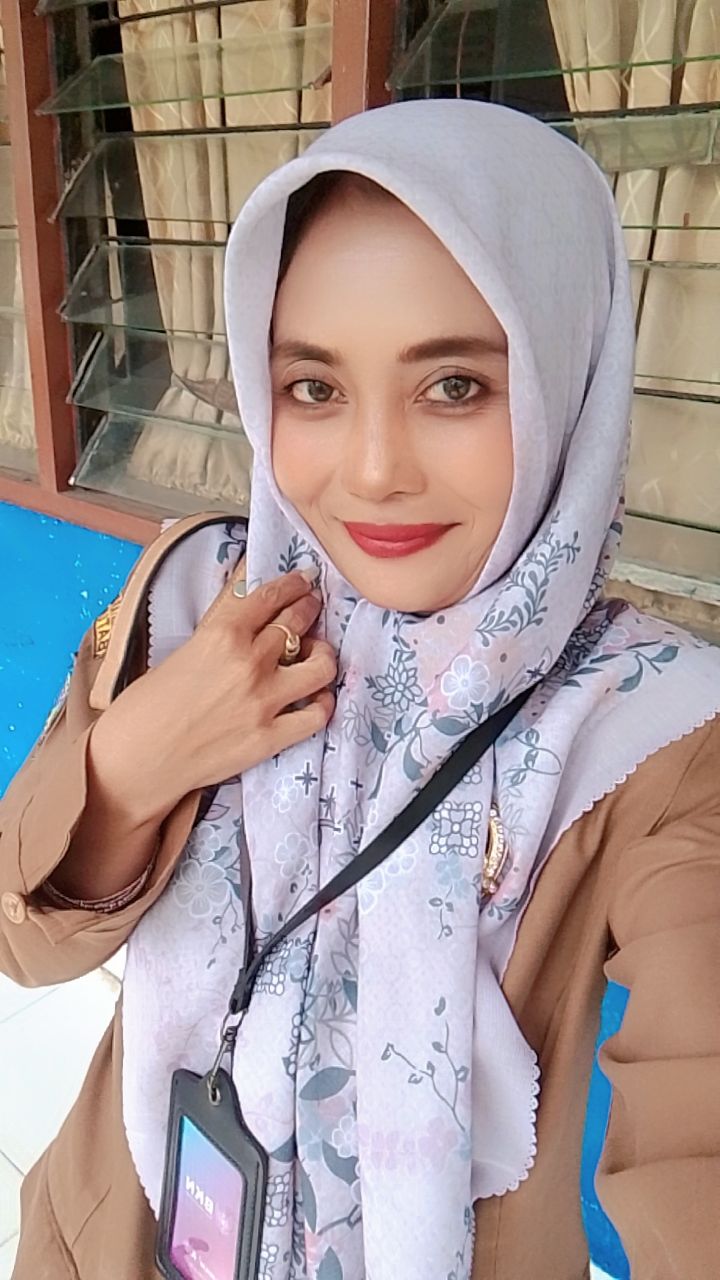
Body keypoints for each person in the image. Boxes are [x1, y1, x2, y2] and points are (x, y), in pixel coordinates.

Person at [1, 100, 719, 1280]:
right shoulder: (201, 599)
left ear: (567, 378)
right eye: (315, 388)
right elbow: (19, 940)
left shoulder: (649, 732)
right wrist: (135, 761)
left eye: (455, 386)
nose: (375, 471)